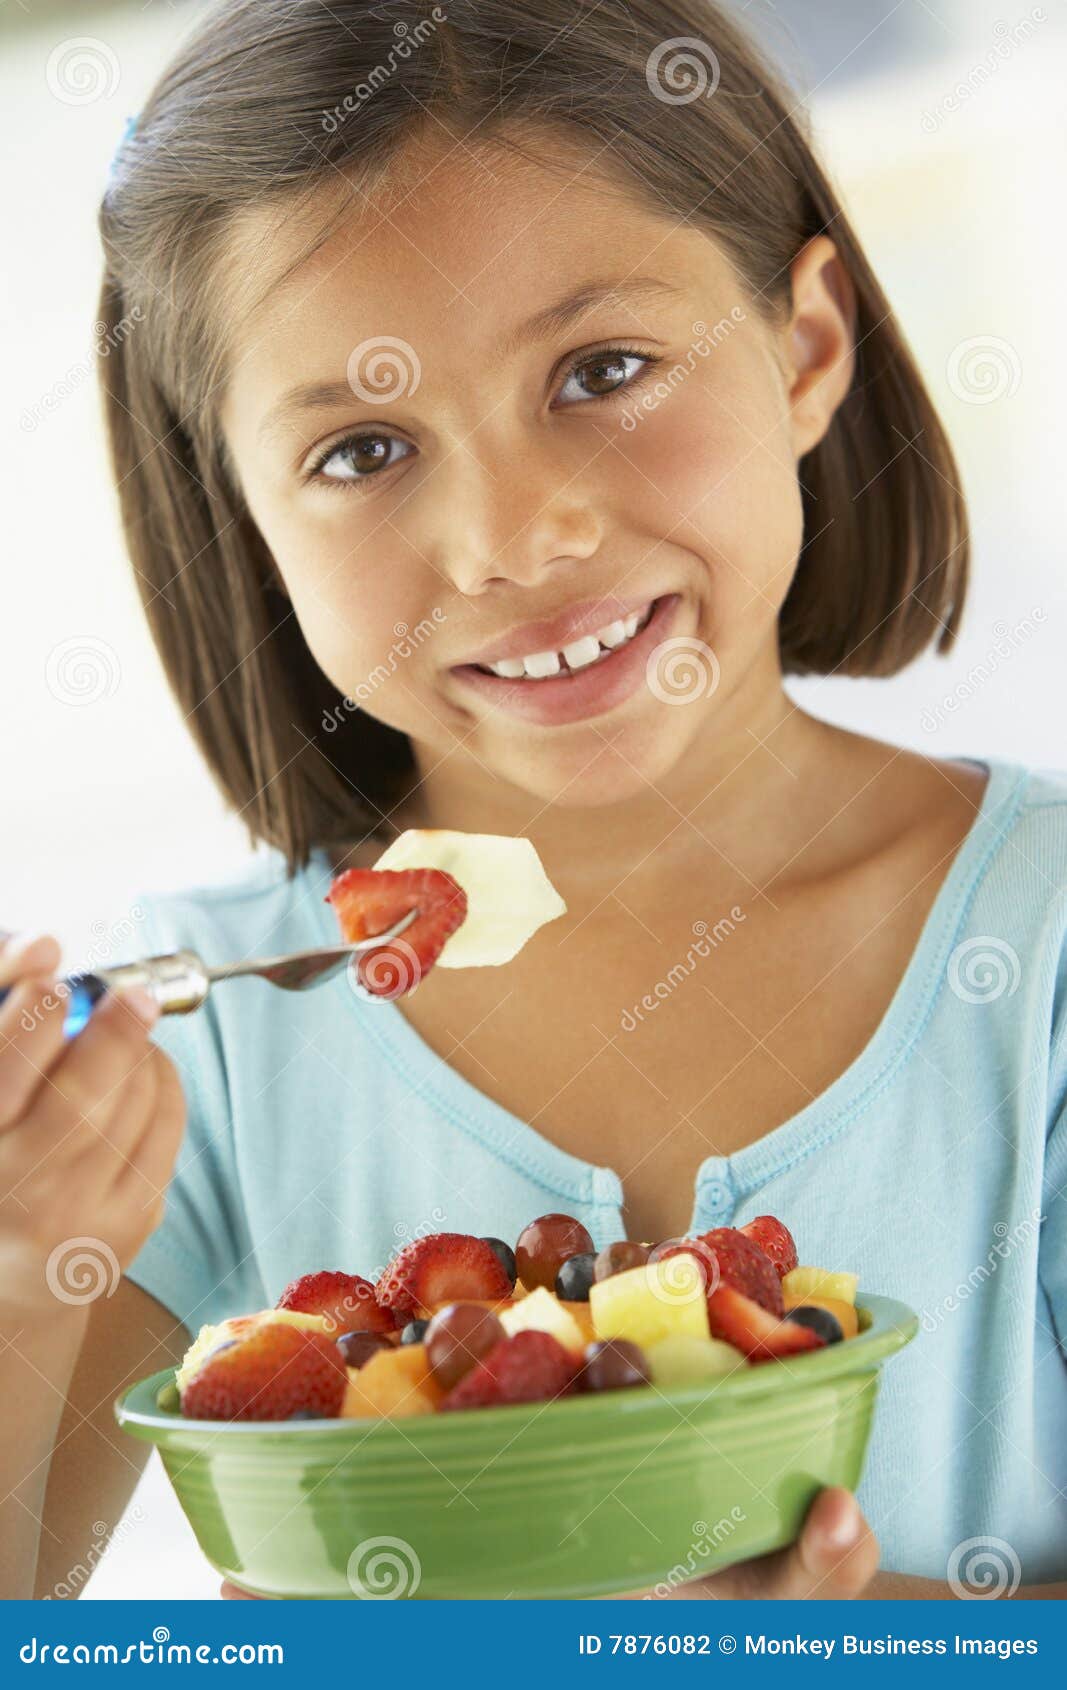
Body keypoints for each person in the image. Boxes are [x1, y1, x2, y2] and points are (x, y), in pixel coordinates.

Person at [4, 0, 1064, 1600]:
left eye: (607, 368)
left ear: (807, 347)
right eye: (363, 451)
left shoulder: (1040, 957)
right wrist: (17, 1273)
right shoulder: (203, 1050)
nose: (511, 537)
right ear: (244, 516)